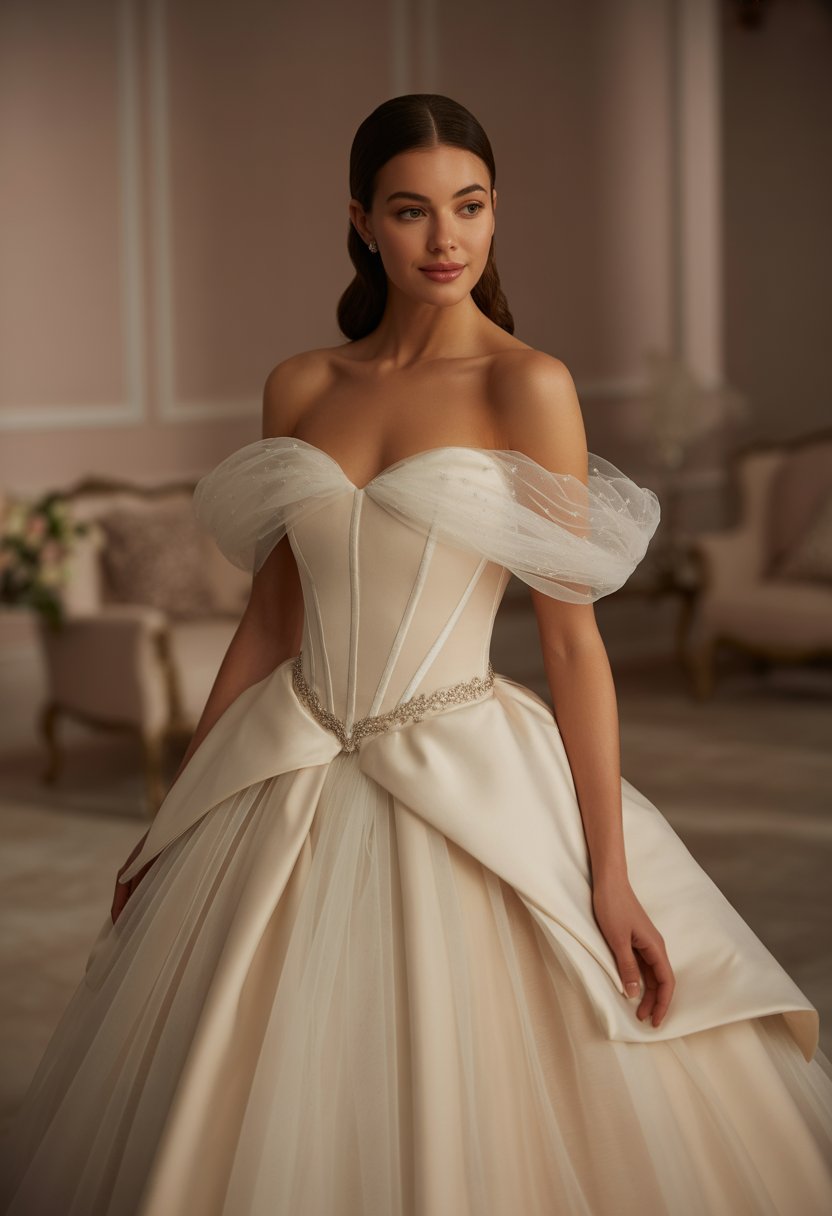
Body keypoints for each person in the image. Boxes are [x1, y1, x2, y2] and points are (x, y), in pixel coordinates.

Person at [1, 92, 831, 1216]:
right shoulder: (301, 384)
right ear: (361, 221)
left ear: (495, 215)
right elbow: (269, 621)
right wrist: (175, 813)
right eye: (410, 211)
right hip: (284, 768)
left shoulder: (524, 385)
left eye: (470, 205)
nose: (445, 239)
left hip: (462, 767)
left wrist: (610, 873)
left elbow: (572, 640)